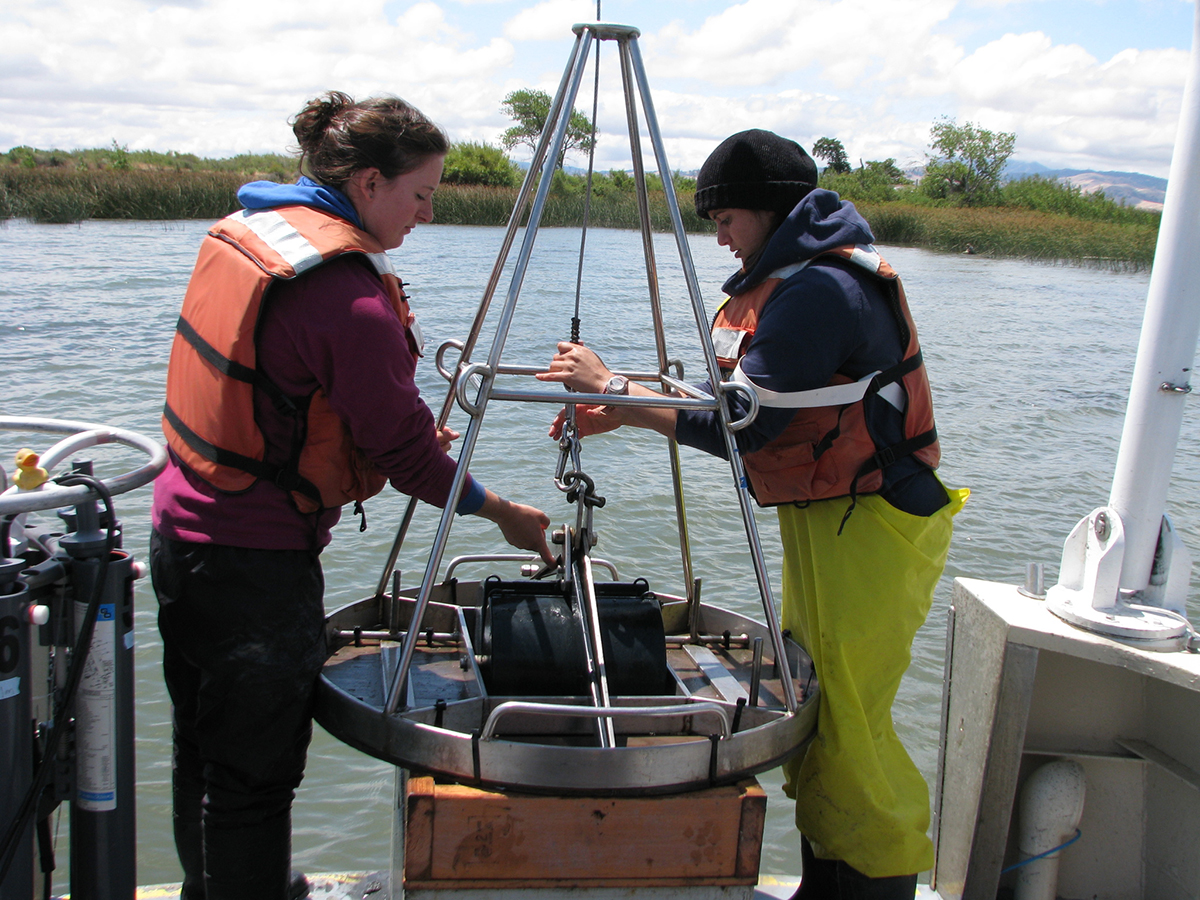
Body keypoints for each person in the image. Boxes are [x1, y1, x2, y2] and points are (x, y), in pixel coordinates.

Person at [538, 129, 967, 899]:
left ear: (770, 211)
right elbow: (738, 404)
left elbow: (745, 427)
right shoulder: (797, 277)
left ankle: (874, 884)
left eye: (728, 217)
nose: (720, 236)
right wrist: (620, 406)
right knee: (819, 705)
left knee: (850, 730)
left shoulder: (818, 290)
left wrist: (616, 391)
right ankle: (824, 883)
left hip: (872, 522)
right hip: (834, 516)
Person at [150, 91, 553, 900]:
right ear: (369, 184)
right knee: (256, 775)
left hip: (178, 532)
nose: (429, 213)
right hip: (253, 565)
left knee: (204, 746)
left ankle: (213, 887)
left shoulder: (251, 233)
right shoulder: (349, 298)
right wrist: (503, 513)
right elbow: (407, 457)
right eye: (422, 193)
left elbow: (285, 394)